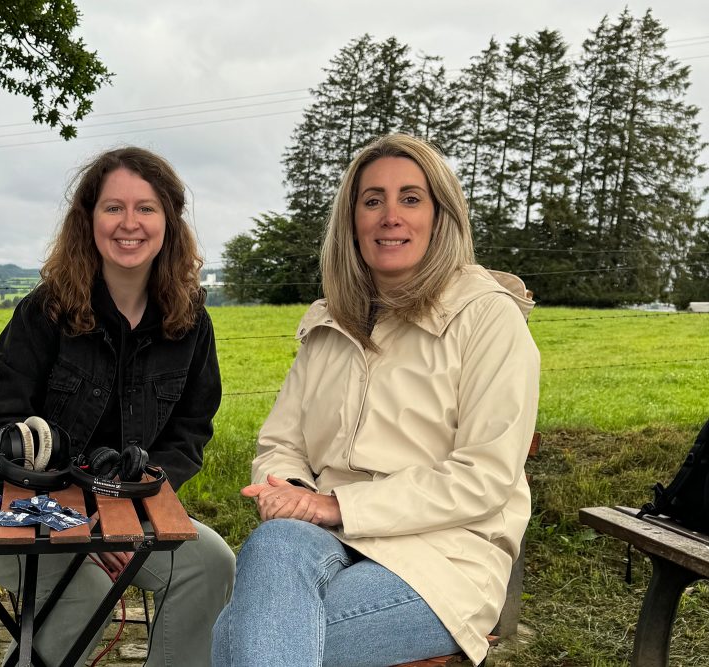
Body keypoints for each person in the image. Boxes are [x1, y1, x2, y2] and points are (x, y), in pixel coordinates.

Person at [211, 134, 540, 667]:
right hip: (326, 536)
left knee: (235, 640)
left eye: (411, 198)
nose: (391, 215)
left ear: (440, 216)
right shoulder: (330, 322)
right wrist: (294, 492)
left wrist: (338, 504)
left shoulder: (487, 316)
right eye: (373, 200)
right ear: (353, 222)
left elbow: (484, 474)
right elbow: (280, 443)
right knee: (273, 548)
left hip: (442, 554)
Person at [0, 146, 235, 667]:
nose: (128, 223)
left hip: (126, 511)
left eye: (146, 208)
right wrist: (81, 524)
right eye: (113, 208)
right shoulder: (45, 311)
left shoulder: (191, 321)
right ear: (88, 219)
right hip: (14, 510)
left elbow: (189, 433)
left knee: (212, 564)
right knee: (85, 590)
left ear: (169, 222)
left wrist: (126, 511)